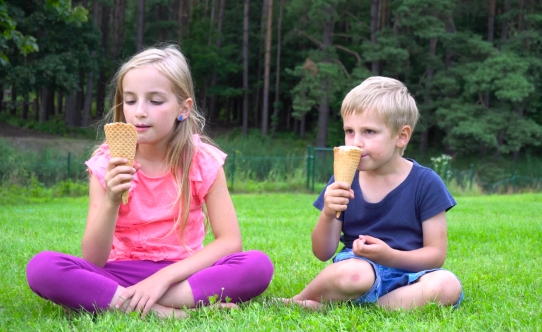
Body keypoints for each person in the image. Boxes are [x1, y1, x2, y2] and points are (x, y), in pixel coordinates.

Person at [26, 44, 273, 319]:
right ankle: (169, 312)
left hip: (184, 272)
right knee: (42, 267)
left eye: (155, 101)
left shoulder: (202, 161)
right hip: (120, 270)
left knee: (258, 265)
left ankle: (120, 301)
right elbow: (93, 259)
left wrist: (162, 278)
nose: (140, 112)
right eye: (130, 101)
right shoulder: (106, 163)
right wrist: (111, 200)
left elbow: (229, 242)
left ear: (184, 108)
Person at [283, 76, 463, 310]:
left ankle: (369, 308)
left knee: (447, 284)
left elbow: (435, 255)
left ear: (401, 136)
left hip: (411, 275)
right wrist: (328, 213)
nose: (356, 142)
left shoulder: (426, 182)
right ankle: (297, 301)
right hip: (359, 268)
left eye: (369, 131)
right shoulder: (343, 179)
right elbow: (322, 252)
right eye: (350, 131)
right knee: (355, 273)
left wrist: (389, 256)